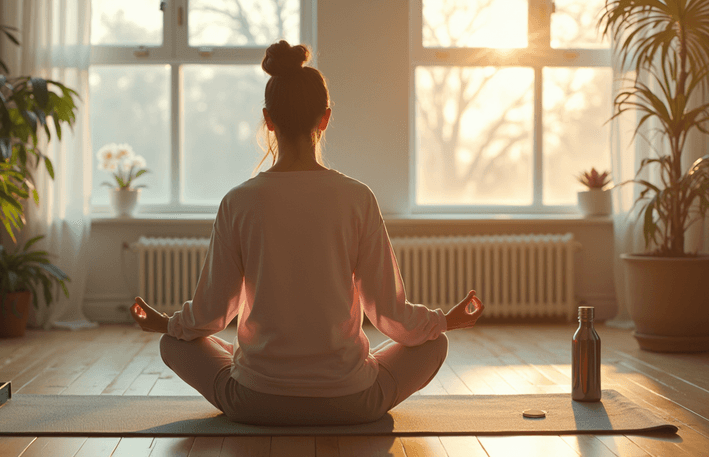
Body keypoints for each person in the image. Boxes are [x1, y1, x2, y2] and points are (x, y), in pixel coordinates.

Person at [129, 40, 485, 426]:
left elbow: (212, 314)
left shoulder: (239, 202)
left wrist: (163, 323)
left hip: (253, 401)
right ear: (325, 118)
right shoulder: (358, 198)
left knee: (173, 343)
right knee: (435, 345)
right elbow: (388, 313)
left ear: (268, 119)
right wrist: (445, 321)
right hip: (351, 401)